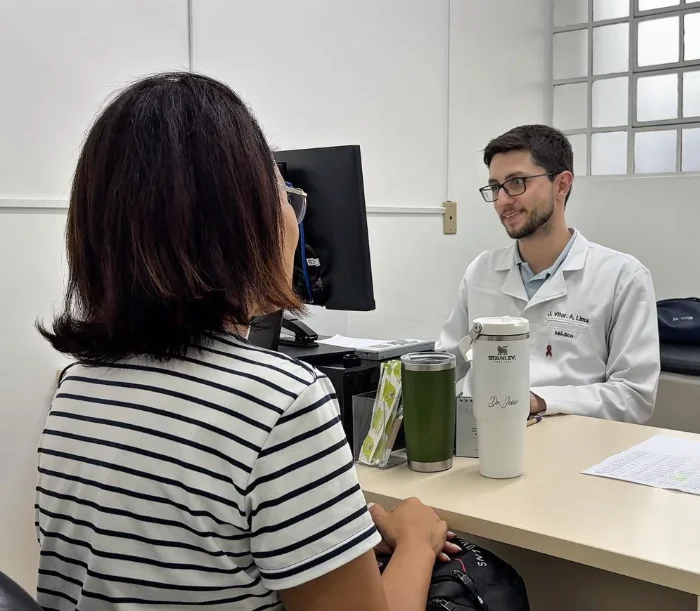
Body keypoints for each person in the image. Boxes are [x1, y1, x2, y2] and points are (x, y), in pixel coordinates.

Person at [35, 72, 458, 611]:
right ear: (240, 223)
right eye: (283, 193)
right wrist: (416, 543)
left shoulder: (76, 386)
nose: (290, 213)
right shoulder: (282, 403)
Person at [437, 125, 660, 423]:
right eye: (495, 187)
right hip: (479, 441)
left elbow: (634, 396)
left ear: (561, 185)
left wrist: (538, 401)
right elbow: (448, 366)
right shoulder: (481, 271)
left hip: (573, 445)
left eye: (516, 182)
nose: (503, 200)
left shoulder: (622, 277)